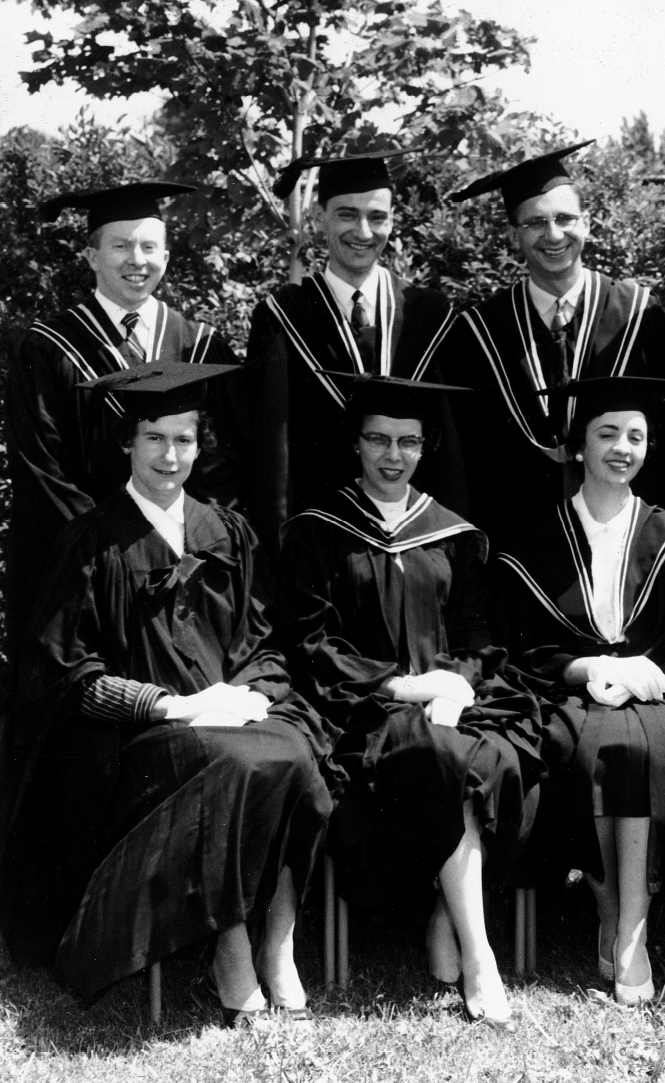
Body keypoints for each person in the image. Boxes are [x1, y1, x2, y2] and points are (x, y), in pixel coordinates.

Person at [0, 364, 334, 1025]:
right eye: (155, 438)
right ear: (129, 442)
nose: (171, 455)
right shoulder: (92, 541)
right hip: (139, 744)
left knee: (294, 747)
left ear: (200, 442)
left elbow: (265, 644)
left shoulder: (230, 533)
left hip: (237, 718)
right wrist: (175, 705)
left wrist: (247, 696)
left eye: (184, 438)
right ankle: (233, 950)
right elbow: (71, 677)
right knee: (243, 764)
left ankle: (279, 940)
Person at [278, 374, 544, 1026]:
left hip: (456, 700)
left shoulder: (453, 534)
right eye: (378, 440)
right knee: (443, 755)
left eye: (407, 441)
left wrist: (455, 683)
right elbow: (312, 642)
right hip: (366, 710)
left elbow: (480, 638)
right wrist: (405, 685)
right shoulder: (319, 532)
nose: (392, 455)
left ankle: (442, 913)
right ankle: (478, 952)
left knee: (505, 755)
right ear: (356, 444)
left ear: (426, 448)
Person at [489, 376, 665, 1006]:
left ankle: (631, 928)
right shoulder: (535, 540)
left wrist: (643, 671)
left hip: (659, 694)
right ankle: (608, 903)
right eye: (606, 433)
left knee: (643, 746)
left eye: (635, 436)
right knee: (591, 747)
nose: (621, 447)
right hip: (567, 695)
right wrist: (584, 669)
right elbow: (520, 645)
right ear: (577, 446)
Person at [6, 181, 243, 661]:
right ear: (92, 256)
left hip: (184, 566)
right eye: (120, 245)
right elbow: (41, 469)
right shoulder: (49, 345)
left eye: (149, 246)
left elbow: (230, 456)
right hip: (85, 571)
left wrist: (189, 538)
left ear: (167, 256)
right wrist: (116, 552)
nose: (137, 260)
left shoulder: (201, 345)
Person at [442, 144, 665, 541]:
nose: (553, 235)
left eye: (565, 218)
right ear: (512, 234)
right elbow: (467, 458)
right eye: (534, 223)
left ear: (586, 224)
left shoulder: (639, 314)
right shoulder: (480, 330)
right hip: (519, 544)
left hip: (627, 539)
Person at [246, 148, 464, 556]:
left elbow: (449, 448)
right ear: (320, 217)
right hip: (318, 543)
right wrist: (279, 548)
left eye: (377, 217)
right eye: (347, 214)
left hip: (415, 544)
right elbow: (270, 454)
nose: (363, 231)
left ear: (393, 221)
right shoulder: (283, 315)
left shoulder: (428, 314)